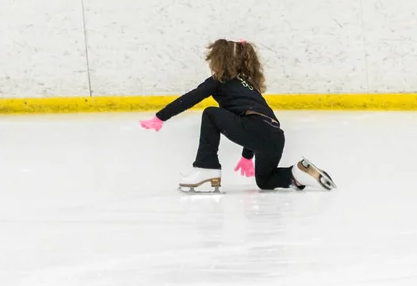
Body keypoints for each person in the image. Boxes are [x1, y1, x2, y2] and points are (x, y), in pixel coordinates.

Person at [139, 39, 336, 192]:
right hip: (275, 137)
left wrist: (160, 117)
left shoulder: (219, 80)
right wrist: (246, 156)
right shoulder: (251, 86)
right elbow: (256, 121)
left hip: (256, 130)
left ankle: (206, 168)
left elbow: (192, 98)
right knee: (265, 181)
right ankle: (298, 173)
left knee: (210, 113)